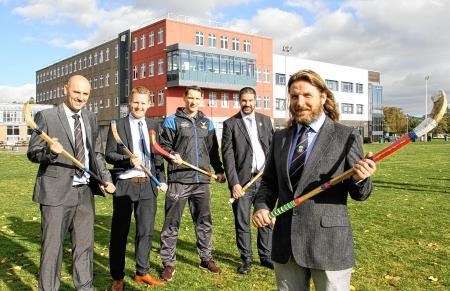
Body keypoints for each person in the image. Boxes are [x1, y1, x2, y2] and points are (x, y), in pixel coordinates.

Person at [252, 69, 376, 291]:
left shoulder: (345, 136)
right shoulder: (280, 138)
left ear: (323, 97)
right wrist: (262, 207)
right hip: (285, 243)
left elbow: (360, 193)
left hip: (328, 244)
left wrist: (359, 179)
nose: (300, 102)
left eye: (307, 95)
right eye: (294, 96)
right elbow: (269, 182)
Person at [27, 74, 115, 291]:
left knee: (84, 247)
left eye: (85, 94)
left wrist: (105, 178)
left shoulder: (90, 117)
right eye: (77, 92)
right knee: (52, 249)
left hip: (84, 192)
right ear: (66, 89)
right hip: (56, 194)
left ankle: (85, 287)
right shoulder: (47, 117)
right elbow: (33, 152)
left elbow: (95, 153)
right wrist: (49, 151)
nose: (81, 98)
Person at [158, 85, 226, 281]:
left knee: (204, 222)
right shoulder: (172, 121)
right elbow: (163, 146)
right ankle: (168, 263)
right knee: (171, 224)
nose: (193, 101)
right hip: (179, 179)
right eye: (190, 98)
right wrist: (172, 155)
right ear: (184, 99)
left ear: (201, 100)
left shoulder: (207, 123)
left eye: (197, 98)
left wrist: (219, 170)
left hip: (202, 180)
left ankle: (206, 258)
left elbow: (213, 151)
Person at [105, 86, 167, 290]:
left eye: (143, 103)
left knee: (146, 232)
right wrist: (128, 160)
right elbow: (109, 155)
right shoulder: (117, 125)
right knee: (120, 232)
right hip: (125, 185)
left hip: (148, 186)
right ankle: (117, 277)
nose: (139, 106)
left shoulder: (154, 125)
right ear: (129, 103)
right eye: (136, 102)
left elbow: (158, 156)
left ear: (149, 104)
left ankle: (142, 272)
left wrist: (161, 178)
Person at [221, 87, 274, 274]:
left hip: (265, 181)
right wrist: (234, 183)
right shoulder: (230, 124)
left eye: (251, 100)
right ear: (239, 101)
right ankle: (246, 259)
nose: (247, 104)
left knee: (265, 219)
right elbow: (227, 156)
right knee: (242, 222)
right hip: (242, 183)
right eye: (244, 100)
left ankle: (266, 256)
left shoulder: (265, 121)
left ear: (255, 100)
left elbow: (273, 148)